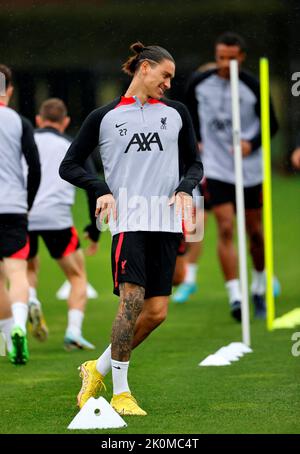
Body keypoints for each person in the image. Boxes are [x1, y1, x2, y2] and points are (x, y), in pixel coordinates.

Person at [59, 42, 203, 415]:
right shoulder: (103, 118)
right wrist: (101, 189)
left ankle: (96, 368)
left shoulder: (177, 114)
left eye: (171, 78)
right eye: (164, 75)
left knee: (156, 313)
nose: (169, 84)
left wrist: (185, 188)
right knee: (132, 300)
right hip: (129, 222)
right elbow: (70, 165)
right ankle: (121, 393)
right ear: (144, 69)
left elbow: (194, 165)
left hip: (167, 222)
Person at [185, 32, 278, 321]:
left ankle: (259, 286)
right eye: (220, 57)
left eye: (231, 58)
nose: (225, 63)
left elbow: (271, 125)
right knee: (225, 227)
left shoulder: (253, 86)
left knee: (255, 232)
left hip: (249, 170)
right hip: (217, 168)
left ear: (242, 57)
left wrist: (252, 142)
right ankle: (235, 296)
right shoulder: (200, 84)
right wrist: (196, 139)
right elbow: (187, 114)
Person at [26, 98, 100, 350]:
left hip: (23, 215)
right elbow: (92, 186)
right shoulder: (70, 145)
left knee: (27, 270)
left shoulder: (24, 141)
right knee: (77, 276)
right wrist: (95, 227)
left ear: (38, 120)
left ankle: (31, 299)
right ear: (66, 121)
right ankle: (73, 332)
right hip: (56, 218)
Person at [0, 64, 41, 364]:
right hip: (13, 206)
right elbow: (35, 166)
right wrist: (26, 200)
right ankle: (17, 324)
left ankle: (4, 341)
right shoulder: (18, 121)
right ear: (9, 90)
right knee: (17, 272)